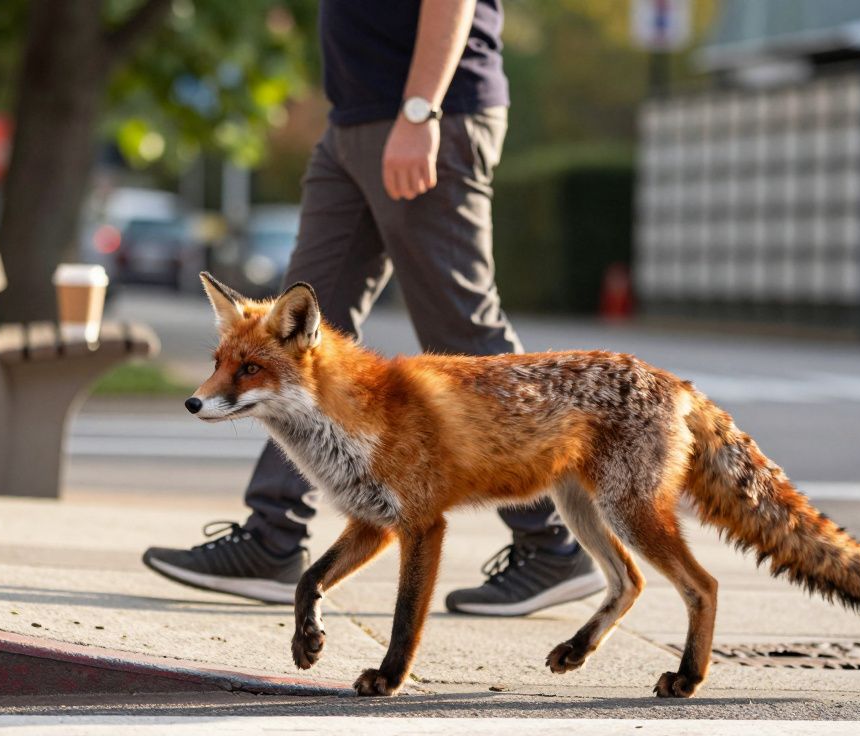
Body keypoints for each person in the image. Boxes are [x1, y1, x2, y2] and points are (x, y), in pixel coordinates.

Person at [143, 0, 605, 616]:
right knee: (288, 336)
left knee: (463, 329)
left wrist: (420, 111)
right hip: (352, 120)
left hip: (426, 112)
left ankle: (552, 544)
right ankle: (272, 538)